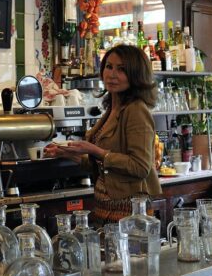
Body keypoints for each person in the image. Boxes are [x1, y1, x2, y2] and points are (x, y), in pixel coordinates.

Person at [44, 45, 161, 223]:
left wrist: (94, 150)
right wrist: (68, 153)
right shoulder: (112, 108)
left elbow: (140, 166)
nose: (112, 74)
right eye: (109, 66)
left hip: (129, 209)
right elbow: (102, 166)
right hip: (106, 206)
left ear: (136, 75)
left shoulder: (136, 110)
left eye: (121, 69)